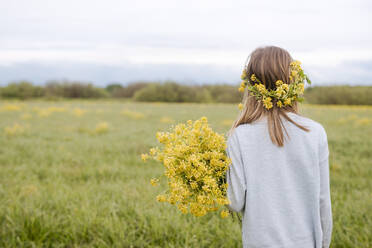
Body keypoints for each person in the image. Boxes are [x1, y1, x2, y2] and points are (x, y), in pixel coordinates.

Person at [226, 46, 332, 248]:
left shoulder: (239, 136)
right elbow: (323, 202)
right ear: (292, 81)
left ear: (251, 86)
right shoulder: (315, 132)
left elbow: (235, 201)